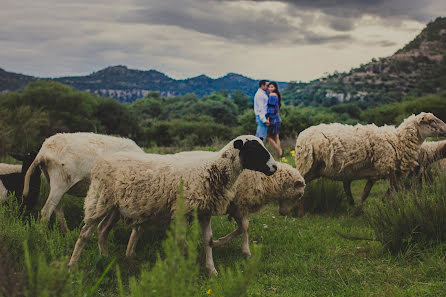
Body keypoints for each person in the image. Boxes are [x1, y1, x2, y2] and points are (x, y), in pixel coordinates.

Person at [265, 81, 282, 157]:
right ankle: (278, 154)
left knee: (268, 137)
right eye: (269, 87)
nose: (270, 88)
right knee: (276, 136)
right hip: (277, 117)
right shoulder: (277, 95)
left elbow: (270, 109)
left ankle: (279, 150)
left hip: (272, 118)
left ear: (275, 88)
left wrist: (268, 118)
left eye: (272, 87)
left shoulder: (272, 95)